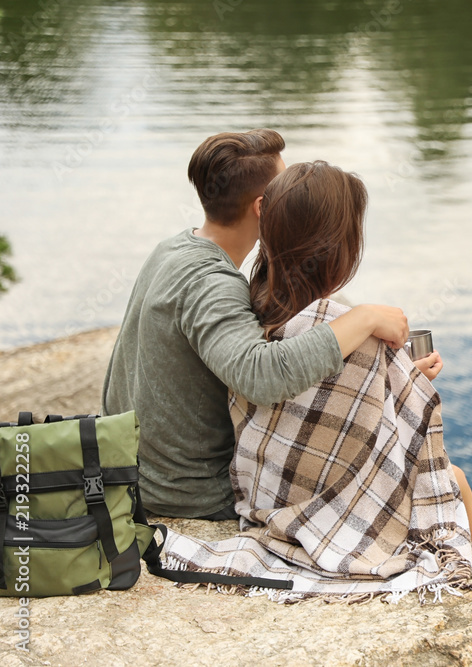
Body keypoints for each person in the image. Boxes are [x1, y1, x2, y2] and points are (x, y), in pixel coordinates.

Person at [102, 129, 410, 520]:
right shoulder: (212, 284)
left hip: (136, 472)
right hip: (191, 494)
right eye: (285, 187)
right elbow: (262, 377)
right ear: (264, 207)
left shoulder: (173, 249)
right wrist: (364, 317)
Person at [236, 159, 472, 543]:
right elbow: (384, 441)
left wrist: (401, 374)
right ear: (340, 250)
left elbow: (322, 409)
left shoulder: (251, 309)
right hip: (330, 505)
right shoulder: (346, 329)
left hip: (266, 492)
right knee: (457, 480)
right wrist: (407, 383)